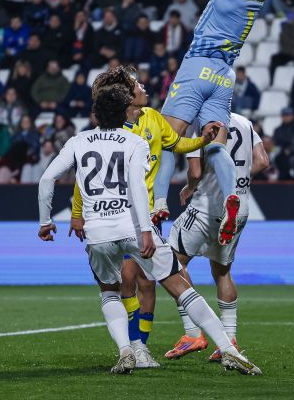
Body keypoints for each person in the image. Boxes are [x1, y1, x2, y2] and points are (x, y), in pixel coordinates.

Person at [38, 84, 261, 375]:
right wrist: (146, 231)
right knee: (180, 287)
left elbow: (47, 179)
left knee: (109, 293)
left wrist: (45, 222)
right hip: (131, 226)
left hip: (97, 234)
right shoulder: (134, 142)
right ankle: (229, 350)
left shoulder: (77, 142)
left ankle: (126, 351)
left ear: (96, 115)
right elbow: (138, 190)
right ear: (124, 113)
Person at [158, 0, 277, 249]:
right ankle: (232, 197)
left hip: (198, 67)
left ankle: (157, 203)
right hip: (225, 76)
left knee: (165, 140)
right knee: (214, 145)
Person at [69, 66, 219, 367]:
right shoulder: (111, 128)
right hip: (117, 215)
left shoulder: (152, 117)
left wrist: (202, 141)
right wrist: (77, 213)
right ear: (127, 93)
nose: (144, 87)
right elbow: (83, 176)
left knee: (147, 282)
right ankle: (134, 345)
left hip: (147, 214)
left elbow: (176, 144)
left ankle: (141, 347)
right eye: (137, 84)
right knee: (126, 279)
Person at [167, 112, 268, 360]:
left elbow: (195, 169)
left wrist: (190, 187)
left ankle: (192, 333)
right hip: (240, 206)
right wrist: (235, 182)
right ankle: (229, 338)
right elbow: (263, 161)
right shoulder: (244, 122)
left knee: (170, 263)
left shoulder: (203, 125)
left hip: (206, 205)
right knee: (222, 271)